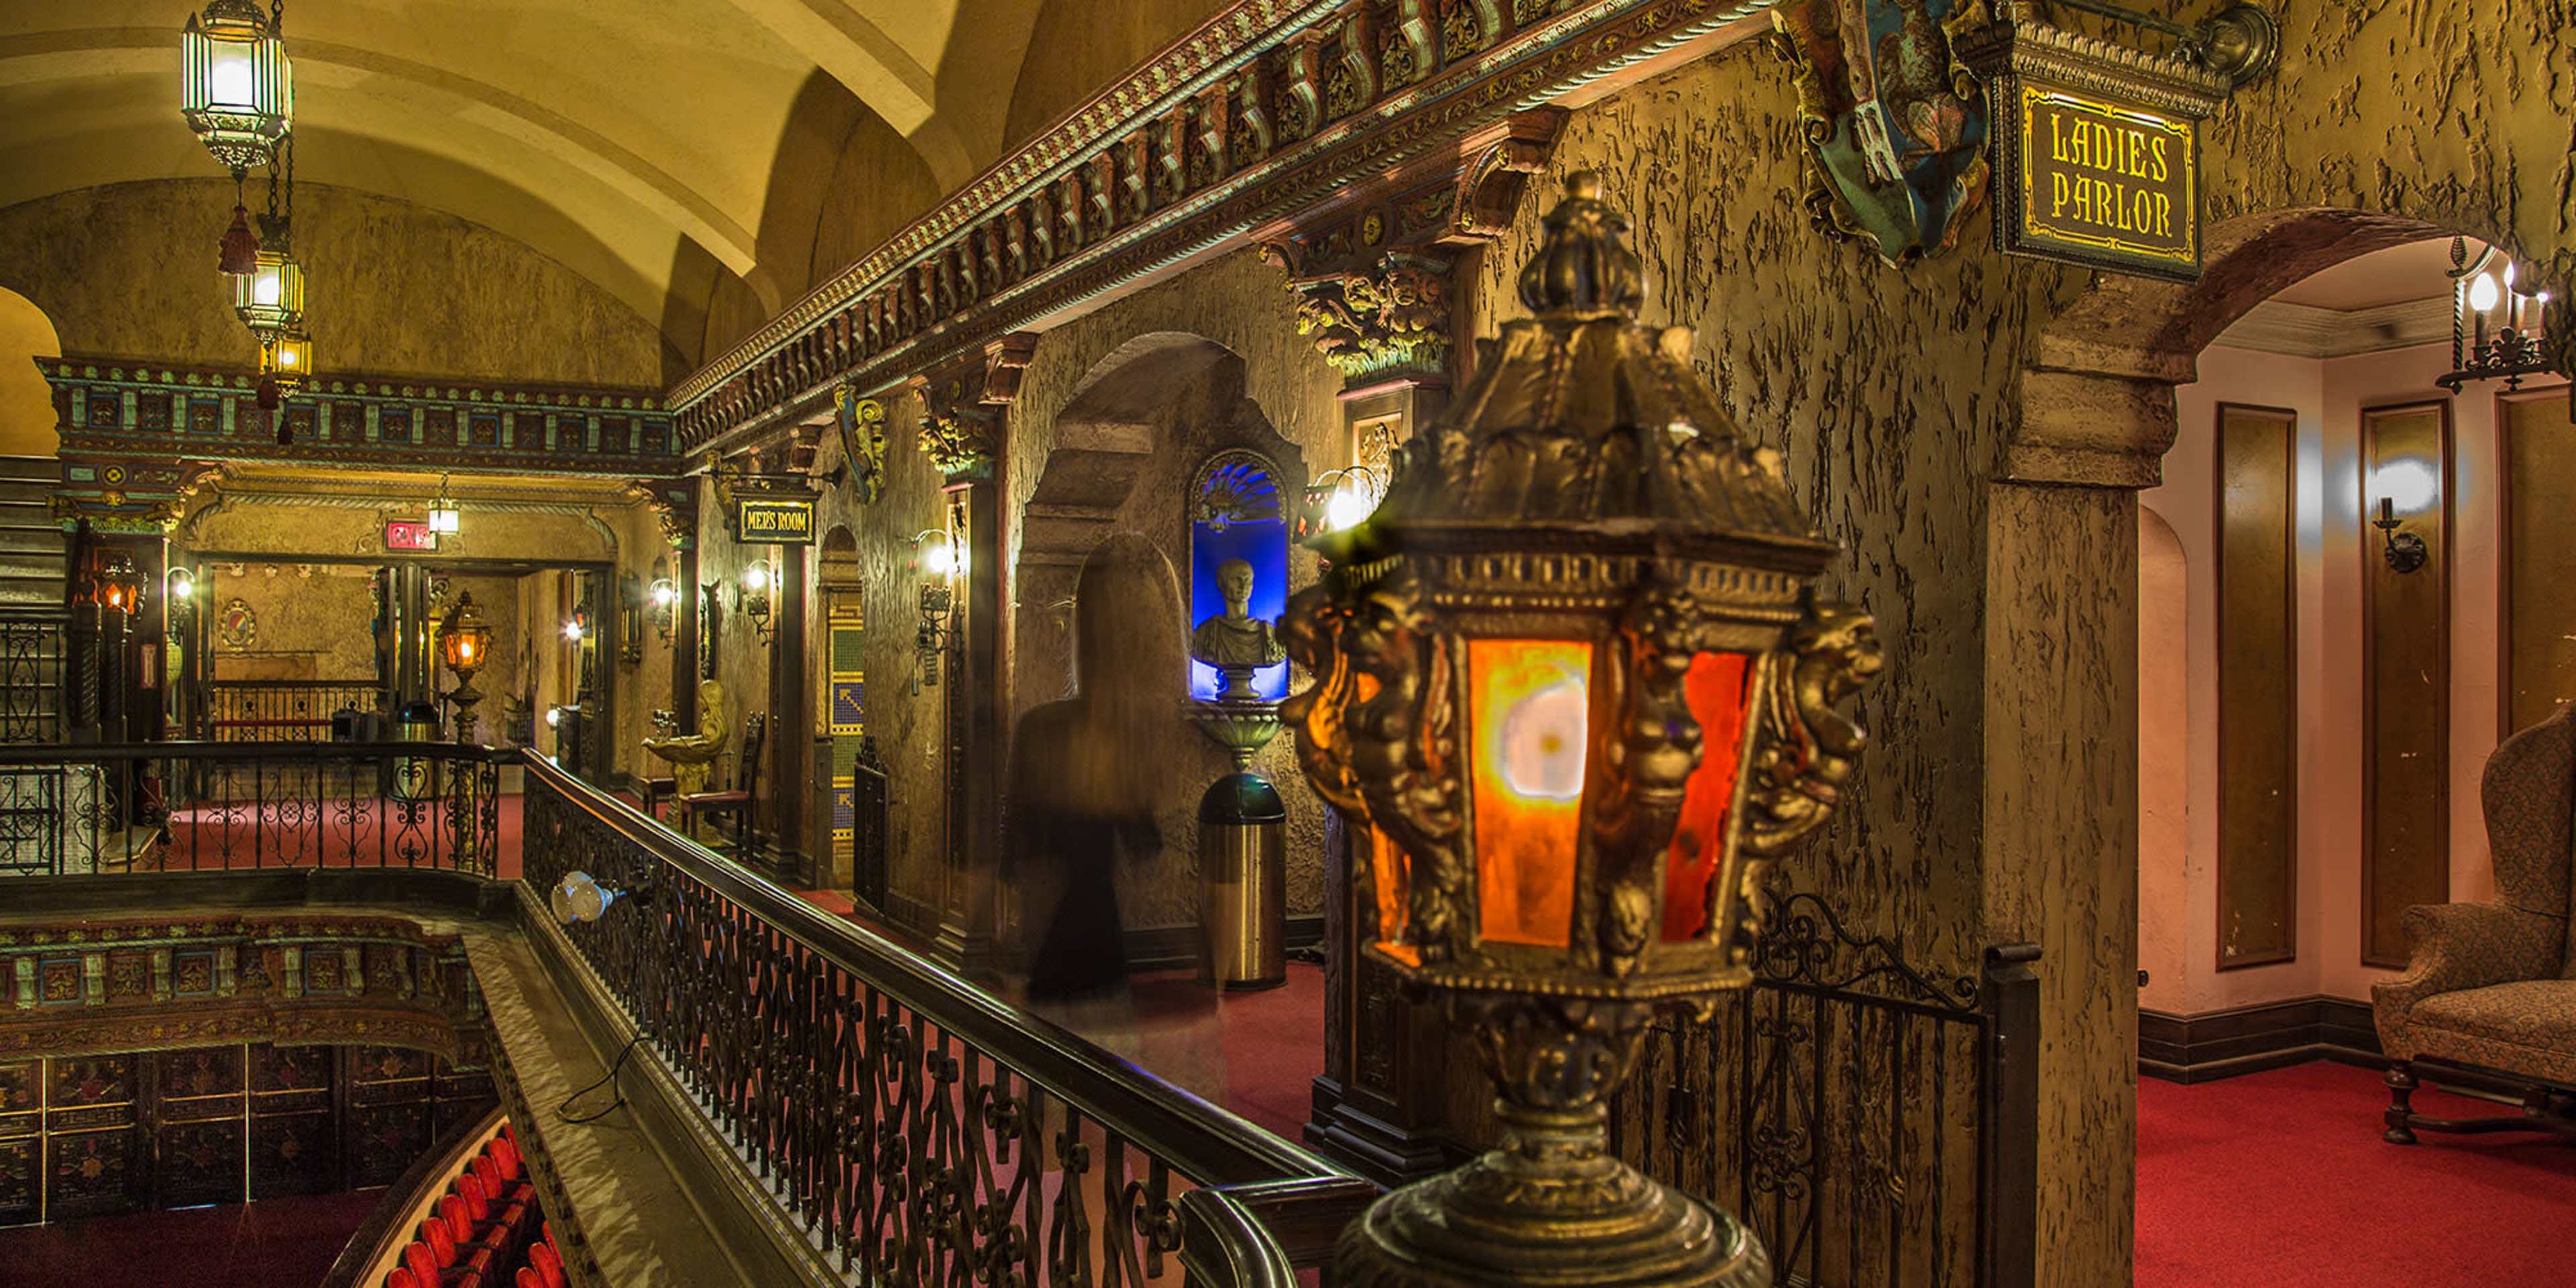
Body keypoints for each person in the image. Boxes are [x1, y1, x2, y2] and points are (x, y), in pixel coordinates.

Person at [1007, 533, 1185, 1003]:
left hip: (1060, 941)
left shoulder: (1042, 728)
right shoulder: (1120, 740)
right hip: (1095, 939)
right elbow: (1146, 849)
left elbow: (1018, 854)